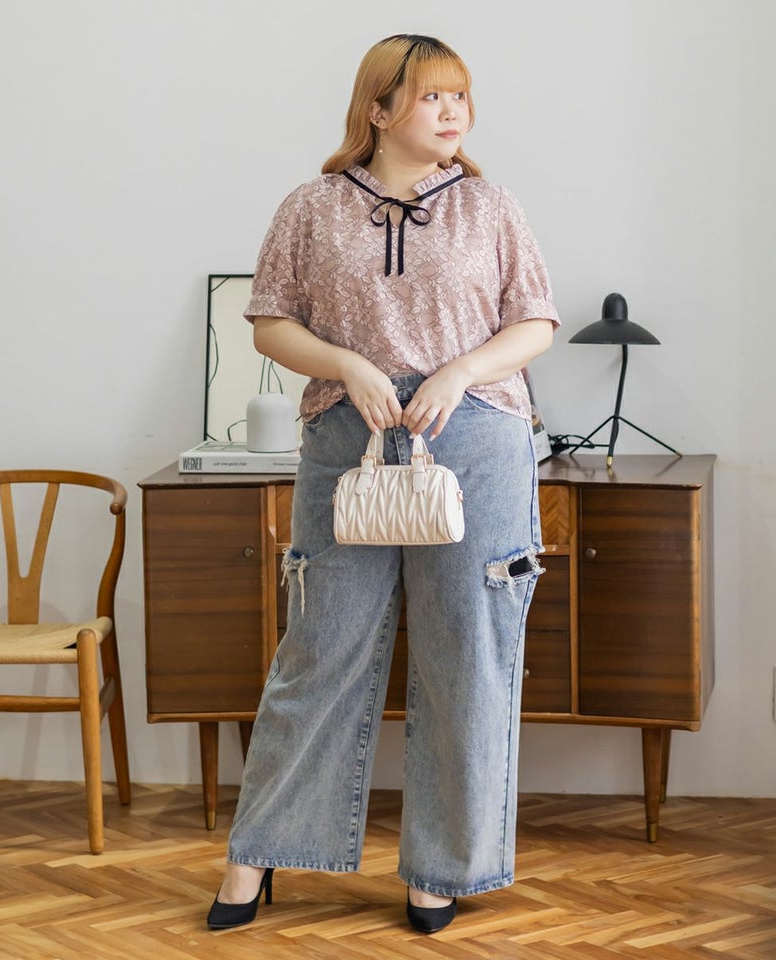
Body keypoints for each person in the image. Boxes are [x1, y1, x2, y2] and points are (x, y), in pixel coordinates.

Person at [207, 33, 560, 935]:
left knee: (465, 655)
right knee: (319, 648)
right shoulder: (313, 206)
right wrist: (349, 366)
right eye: (432, 95)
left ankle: (441, 869)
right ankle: (258, 853)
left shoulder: (490, 206)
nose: (453, 112)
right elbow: (269, 322)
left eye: (460, 96)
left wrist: (460, 371)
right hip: (347, 436)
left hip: (474, 438)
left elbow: (535, 323)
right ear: (378, 108)